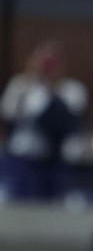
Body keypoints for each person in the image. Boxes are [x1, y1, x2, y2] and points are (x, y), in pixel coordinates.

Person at [0, 40, 86, 200]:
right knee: (21, 201)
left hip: (55, 160)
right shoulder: (21, 85)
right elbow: (8, 113)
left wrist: (52, 89)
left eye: (53, 62)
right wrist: (28, 84)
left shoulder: (72, 89)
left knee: (51, 203)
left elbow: (69, 120)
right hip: (23, 157)